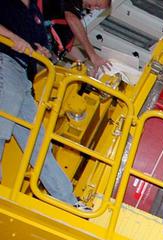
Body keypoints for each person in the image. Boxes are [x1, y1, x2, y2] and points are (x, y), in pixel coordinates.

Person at [0, 0, 80, 204]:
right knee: (2, 126)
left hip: (23, 76)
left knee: (37, 140)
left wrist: (43, 52)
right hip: (4, 61)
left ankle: (67, 199)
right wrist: (12, 37)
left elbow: (39, 43)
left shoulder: (34, 12)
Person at [44, 0, 111, 74]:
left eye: (97, 8)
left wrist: (84, 64)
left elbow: (69, 44)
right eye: (96, 5)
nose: (92, 9)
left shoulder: (76, 10)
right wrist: (93, 55)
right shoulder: (73, 8)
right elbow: (72, 18)